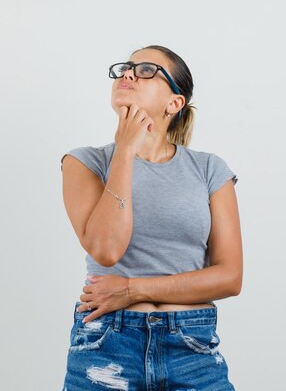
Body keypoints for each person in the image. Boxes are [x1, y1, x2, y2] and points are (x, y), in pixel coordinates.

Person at [59, 45, 242, 391]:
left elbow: (230, 277)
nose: (128, 74)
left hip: (192, 346)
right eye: (126, 68)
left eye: (145, 70)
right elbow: (107, 250)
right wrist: (126, 151)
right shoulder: (84, 163)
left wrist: (131, 289)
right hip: (106, 344)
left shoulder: (209, 170)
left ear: (174, 104)